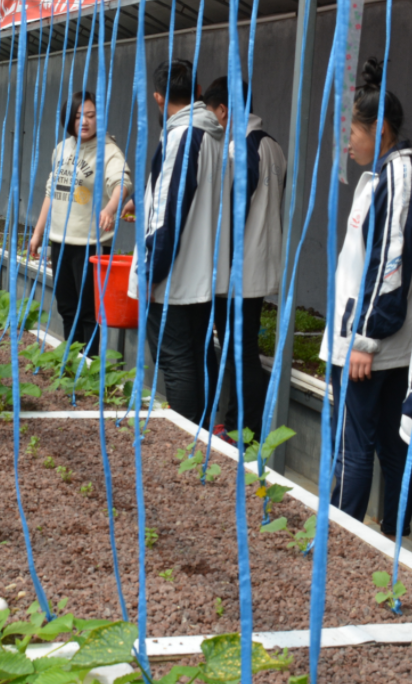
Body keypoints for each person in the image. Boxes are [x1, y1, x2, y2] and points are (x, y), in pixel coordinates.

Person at [323, 59, 412, 539]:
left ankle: (342, 545)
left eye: (352, 132)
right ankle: (381, 545)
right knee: (377, 446)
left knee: (356, 448)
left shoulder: (398, 175)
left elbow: (389, 263)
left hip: (373, 347)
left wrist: (366, 338)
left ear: (378, 130)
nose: (347, 142)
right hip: (370, 342)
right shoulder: (383, 175)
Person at [127, 59, 228, 427]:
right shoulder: (211, 134)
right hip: (200, 273)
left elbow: (169, 215)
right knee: (198, 356)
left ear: (157, 97)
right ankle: (204, 436)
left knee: (177, 361)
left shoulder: (182, 137)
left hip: (176, 279)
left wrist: (150, 271)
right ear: (198, 92)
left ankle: (187, 442)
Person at [202, 77, 286, 440]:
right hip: (259, 264)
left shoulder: (237, 150)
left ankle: (243, 428)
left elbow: (234, 216)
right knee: (242, 346)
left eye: (210, 115)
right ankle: (239, 422)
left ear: (223, 110)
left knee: (239, 350)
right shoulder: (273, 146)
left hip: (237, 271)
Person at [28, 90, 133, 349]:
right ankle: (71, 363)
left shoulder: (109, 151)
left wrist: (109, 208)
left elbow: (122, 183)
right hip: (60, 241)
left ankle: (89, 369)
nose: (84, 122)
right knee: (66, 307)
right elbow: (51, 193)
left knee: (89, 312)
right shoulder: (62, 149)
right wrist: (38, 233)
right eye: (77, 117)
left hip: (91, 245)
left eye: (90, 115)